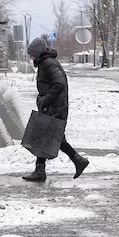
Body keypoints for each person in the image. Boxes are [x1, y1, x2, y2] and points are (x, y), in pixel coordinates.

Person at [22, 37, 89, 182]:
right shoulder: (45, 63)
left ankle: (78, 161)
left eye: (32, 54)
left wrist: (45, 100)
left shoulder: (48, 63)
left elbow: (59, 84)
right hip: (52, 106)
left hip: (54, 107)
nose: (31, 57)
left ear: (38, 53)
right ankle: (42, 171)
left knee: (52, 137)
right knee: (46, 136)